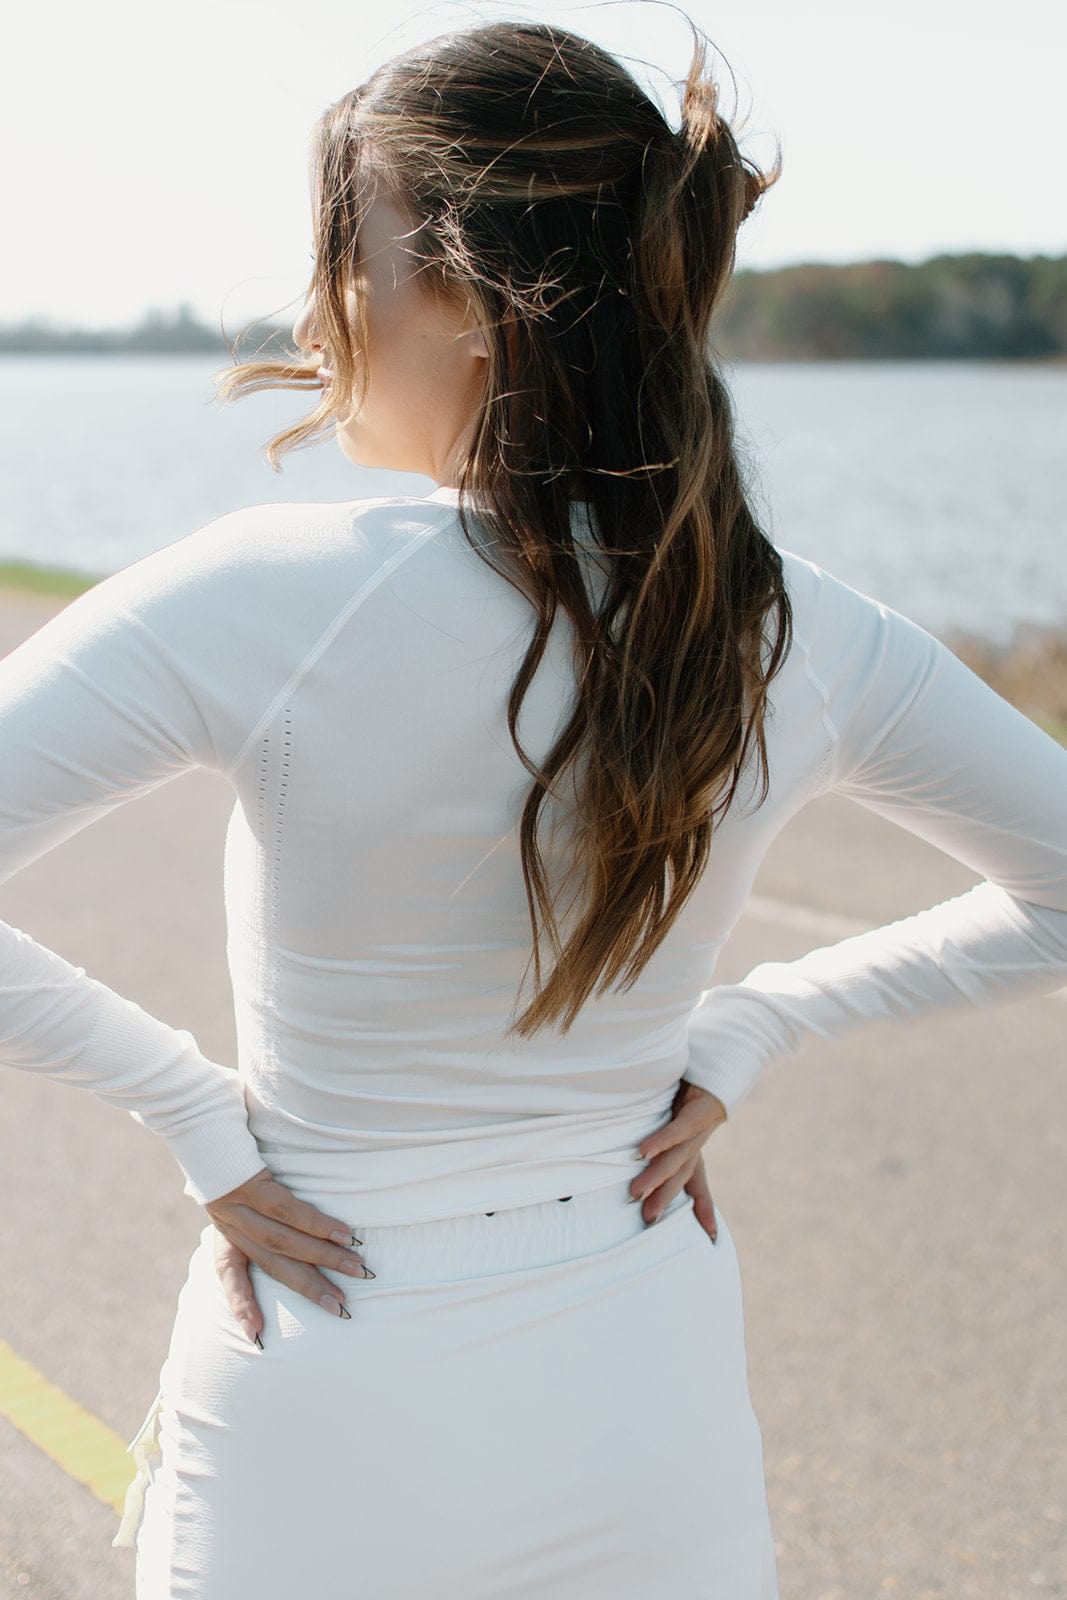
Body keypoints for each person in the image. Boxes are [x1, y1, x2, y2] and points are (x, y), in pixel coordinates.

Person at [1, 15, 1064, 1599]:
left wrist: (188, 1111)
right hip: (649, 1391)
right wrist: (761, 1022)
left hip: (329, 1380)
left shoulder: (265, 600)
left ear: (477, 302)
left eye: (338, 255)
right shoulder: (793, 629)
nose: (309, 311)